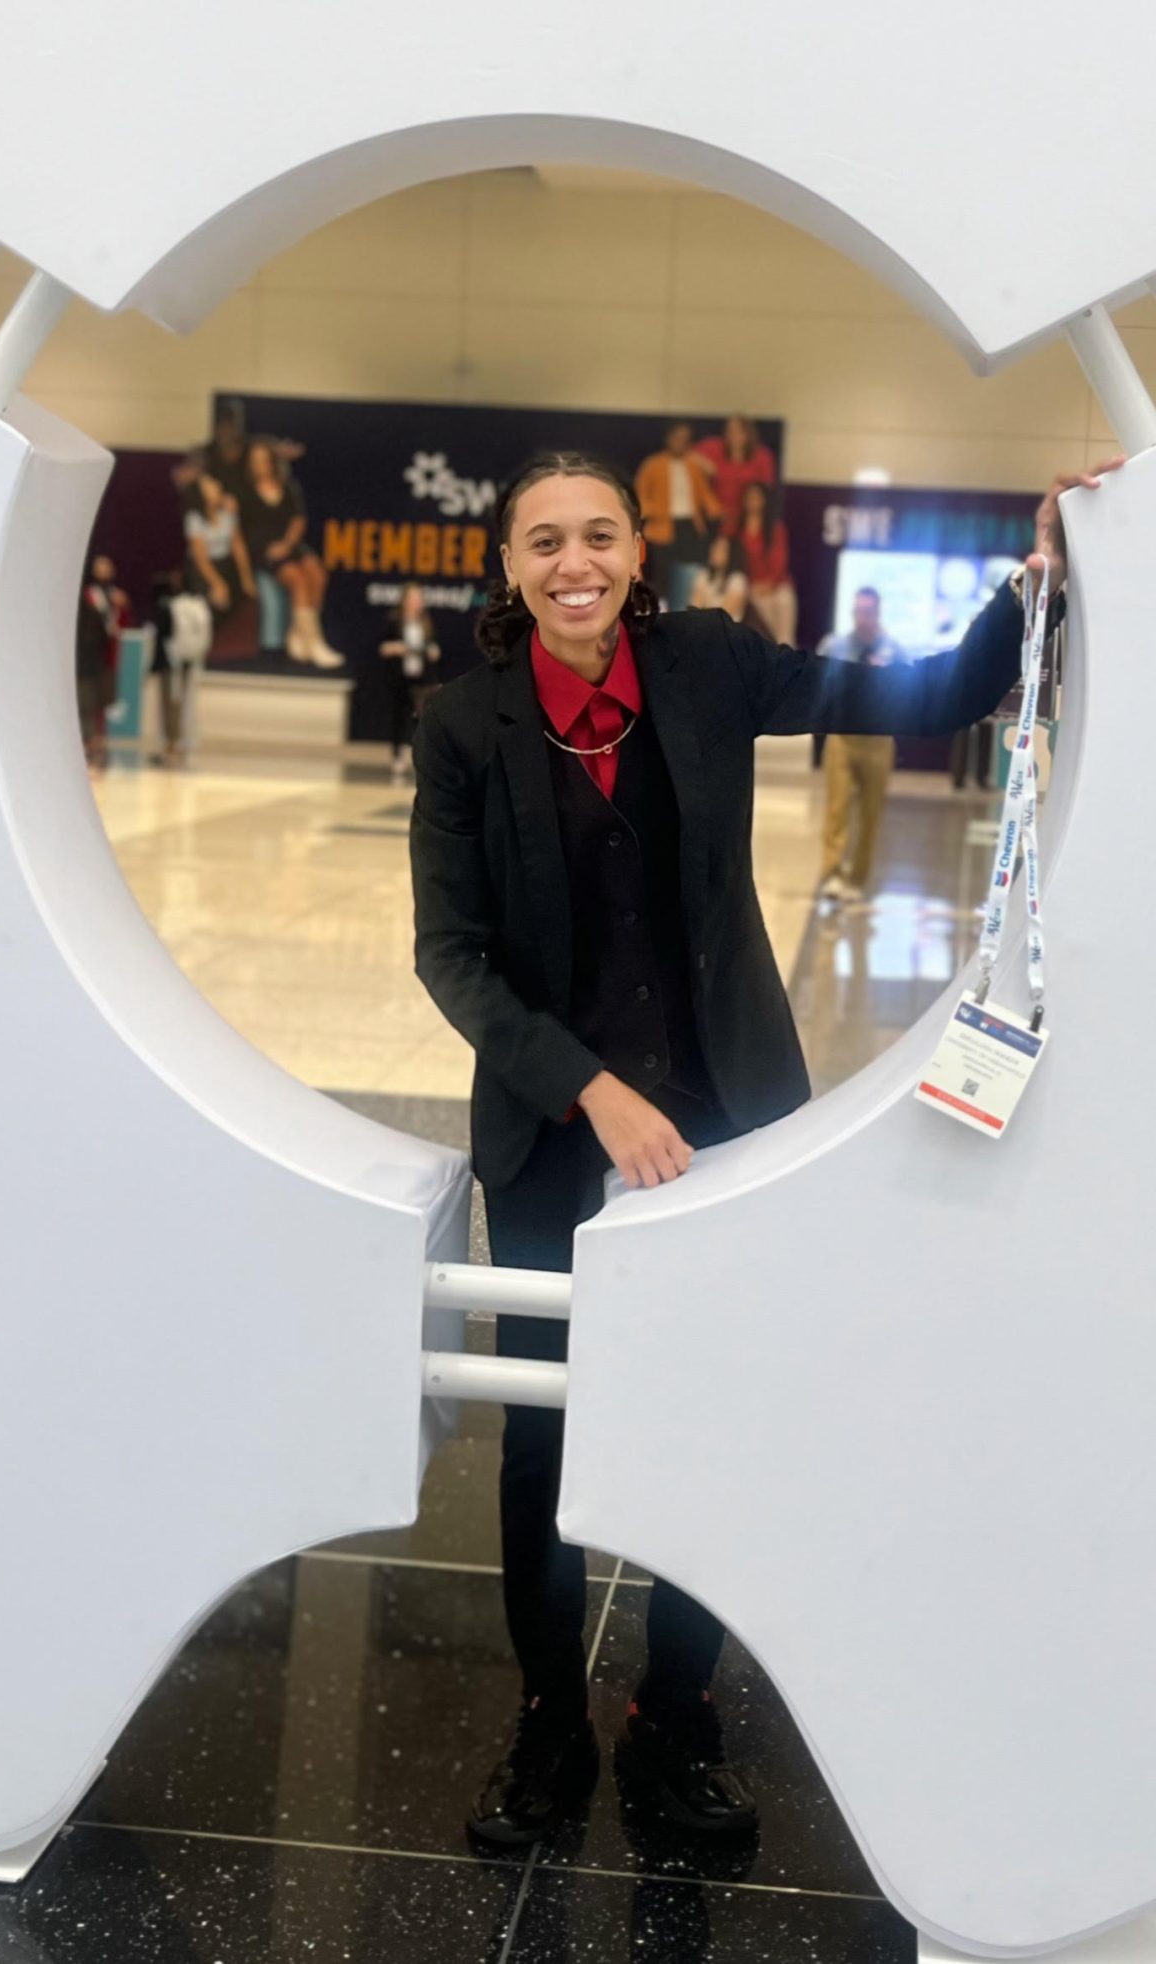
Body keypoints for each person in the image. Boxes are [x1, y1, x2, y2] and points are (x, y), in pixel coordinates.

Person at [409, 446, 1120, 1853]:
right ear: (506, 566)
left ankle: (675, 1718)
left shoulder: (710, 667)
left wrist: (1050, 568)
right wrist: (587, 1090)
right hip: (555, 1144)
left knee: (715, 1425)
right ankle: (552, 1717)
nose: (575, 565)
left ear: (636, 550)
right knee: (543, 1441)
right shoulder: (461, 724)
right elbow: (453, 956)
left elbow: (929, 692)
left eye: (599, 535)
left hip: (728, 1117)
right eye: (543, 541)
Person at [815, 587, 906, 903]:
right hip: (843, 737)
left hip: (878, 741)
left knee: (870, 813)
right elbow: (815, 682)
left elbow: (910, 692)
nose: (862, 618)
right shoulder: (836, 646)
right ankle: (831, 874)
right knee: (836, 808)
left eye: (868, 611)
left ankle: (858, 878)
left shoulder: (894, 650)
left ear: (878, 612)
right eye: (858, 611)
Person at [241, 438, 343, 669]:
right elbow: (241, 532)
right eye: (255, 462)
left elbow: (298, 519)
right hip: (263, 549)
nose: (260, 466)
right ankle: (314, 644)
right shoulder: (244, 492)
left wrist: (288, 543)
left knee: (316, 573)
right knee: (297, 578)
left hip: (289, 543)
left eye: (264, 461)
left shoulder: (287, 486)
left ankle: (301, 635)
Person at [634, 422, 719, 611]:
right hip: (661, 526)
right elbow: (640, 495)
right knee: (662, 575)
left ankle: (684, 611)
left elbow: (705, 491)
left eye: (685, 439)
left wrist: (716, 511)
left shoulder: (693, 464)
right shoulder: (653, 464)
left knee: (689, 574)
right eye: (677, 437)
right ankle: (661, 611)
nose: (681, 442)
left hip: (690, 525)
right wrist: (656, 510)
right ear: (668, 438)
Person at [379, 583, 442, 784]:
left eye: (419, 598)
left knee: (421, 718)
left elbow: (433, 648)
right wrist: (398, 648)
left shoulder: (425, 623)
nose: (416, 602)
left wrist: (431, 651)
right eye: (412, 598)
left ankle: (420, 756)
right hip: (400, 675)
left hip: (421, 677)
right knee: (399, 715)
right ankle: (398, 756)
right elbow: (383, 647)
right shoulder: (395, 621)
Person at [149, 566, 211, 768]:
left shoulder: (172, 606)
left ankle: (172, 746)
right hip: (189, 661)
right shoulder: (199, 606)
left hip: (172, 661)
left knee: (171, 704)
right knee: (183, 704)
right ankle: (179, 745)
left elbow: (163, 636)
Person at [183, 471, 254, 622]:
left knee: (234, 606)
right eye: (209, 486)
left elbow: (238, 546)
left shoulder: (228, 511)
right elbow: (200, 559)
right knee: (214, 602)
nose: (217, 487)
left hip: (226, 563)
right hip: (203, 568)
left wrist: (246, 578)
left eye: (214, 483)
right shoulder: (194, 518)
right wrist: (218, 583)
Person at [735, 481, 798, 647]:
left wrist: (771, 583)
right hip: (753, 587)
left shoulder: (775, 528)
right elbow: (736, 562)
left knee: (784, 605)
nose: (753, 502)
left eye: (757, 498)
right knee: (771, 631)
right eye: (750, 498)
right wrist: (752, 586)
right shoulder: (738, 530)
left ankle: (791, 657)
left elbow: (780, 558)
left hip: (778, 584)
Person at [693, 414, 776, 532]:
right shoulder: (713, 447)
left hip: (746, 519)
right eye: (730, 430)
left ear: (749, 434)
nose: (734, 435)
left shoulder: (762, 456)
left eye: (739, 431)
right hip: (716, 517)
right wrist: (706, 466)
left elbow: (765, 493)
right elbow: (686, 454)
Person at [75, 575, 114, 775]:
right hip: (91, 672)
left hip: (79, 672)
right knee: (88, 712)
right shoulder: (94, 614)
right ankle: (88, 748)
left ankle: (87, 749)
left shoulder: (73, 618)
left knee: (83, 712)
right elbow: (105, 641)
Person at [686, 533, 750, 620]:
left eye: (720, 549)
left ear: (730, 555)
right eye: (714, 546)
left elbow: (723, 616)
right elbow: (693, 608)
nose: (713, 550)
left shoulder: (738, 580)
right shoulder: (703, 574)